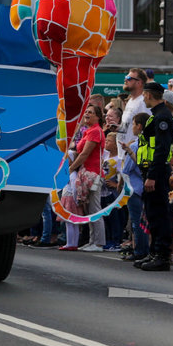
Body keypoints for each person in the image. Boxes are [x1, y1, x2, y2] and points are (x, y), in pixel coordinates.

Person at [134, 81, 173, 271]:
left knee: (159, 214)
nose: (143, 98)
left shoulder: (163, 117)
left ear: (149, 95)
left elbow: (161, 149)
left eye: (144, 95)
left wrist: (152, 175)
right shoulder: (156, 116)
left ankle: (162, 256)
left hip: (157, 173)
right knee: (152, 214)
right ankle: (154, 252)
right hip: (152, 172)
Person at [69, 105, 105, 251]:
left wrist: (71, 168)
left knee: (95, 208)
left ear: (98, 117)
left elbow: (84, 154)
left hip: (93, 173)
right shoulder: (88, 131)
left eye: (91, 112)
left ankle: (99, 243)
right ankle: (92, 241)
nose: (87, 114)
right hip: (86, 172)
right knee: (89, 209)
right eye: (86, 112)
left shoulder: (96, 131)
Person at [119, 113, 149, 261]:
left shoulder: (136, 145)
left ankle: (140, 251)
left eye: (134, 124)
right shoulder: (148, 143)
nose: (132, 127)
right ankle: (143, 250)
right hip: (144, 186)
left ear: (139, 126)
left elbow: (127, 169)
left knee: (137, 222)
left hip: (134, 187)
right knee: (143, 221)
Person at [119, 68, 150, 151]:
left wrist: (133, 145)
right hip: (123, 153)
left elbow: (146, 129)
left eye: (129, 78)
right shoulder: (130, 100)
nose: (125, 80)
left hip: (134, 153)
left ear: (139, 82)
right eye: (126, 77)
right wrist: (117, 128)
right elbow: (128, 126)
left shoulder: (143, 102)